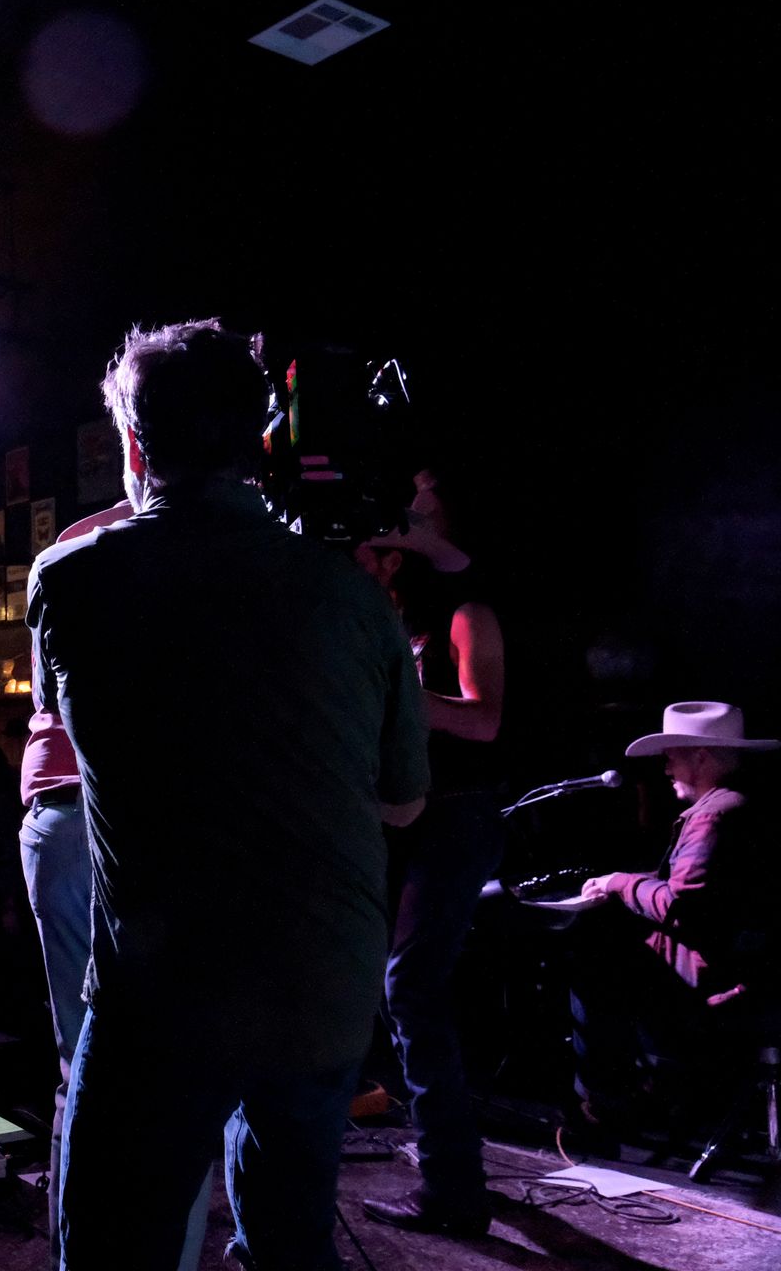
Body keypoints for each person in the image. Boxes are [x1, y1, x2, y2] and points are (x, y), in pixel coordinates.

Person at [29, 319, 429, 1271]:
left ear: (133, 446)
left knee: (113, 1247)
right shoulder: (354, 597)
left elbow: (62, 724)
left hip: (167, 991)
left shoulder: (72, 579)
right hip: (325, 985)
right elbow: (406, 802)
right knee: (292, 1238)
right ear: (260, 443)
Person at [21, 500, 211, 1271]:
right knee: (180, 1069)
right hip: (152, 820)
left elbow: (48, 695)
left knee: (82, 1066)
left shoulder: (72, 550)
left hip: (61, 818)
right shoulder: (220, 544)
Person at [352, 475, 508, 1238]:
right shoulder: (389, 624)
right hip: (405, 820)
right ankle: (449, 1160)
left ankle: (454, 1187)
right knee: (399, 988)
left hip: (457, 816)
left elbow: (484, 722)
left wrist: (400, 697)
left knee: (410, 986)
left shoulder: (467, 613)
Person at [569, 701, 776, 1137]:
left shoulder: (714, 815)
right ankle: (650, 1088)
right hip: (742, 971)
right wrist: (627, 883)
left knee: (593, 959)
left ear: (700, 757)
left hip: (717, 981)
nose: (665, 768)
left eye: (671, 756)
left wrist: (620, 883)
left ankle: (609, 1103)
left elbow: (682, 907)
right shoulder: (738, 804)